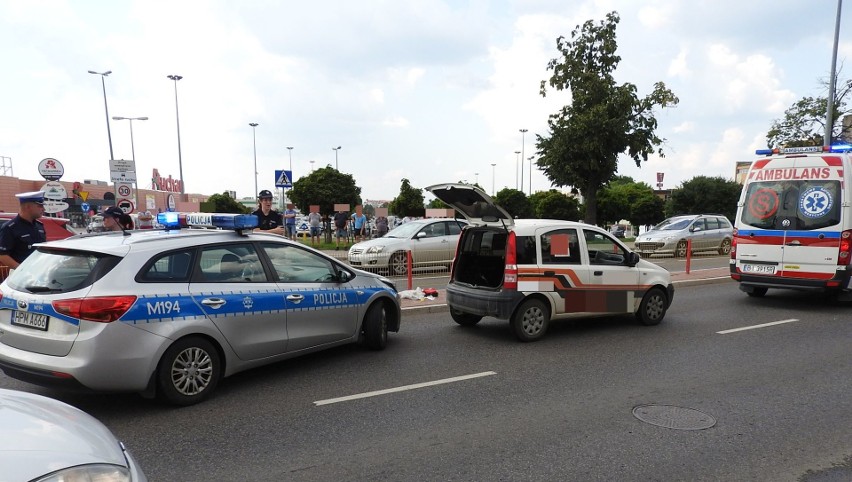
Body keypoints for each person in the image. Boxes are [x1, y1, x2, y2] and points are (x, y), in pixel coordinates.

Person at [0, 191, 47, 269]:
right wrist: (22, 270)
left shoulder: (39, 226)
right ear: (28, 207)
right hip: (21, 275)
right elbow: (3, 255)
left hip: (40, 271)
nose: (43, 209)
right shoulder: (10, 227)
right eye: (40, 206)